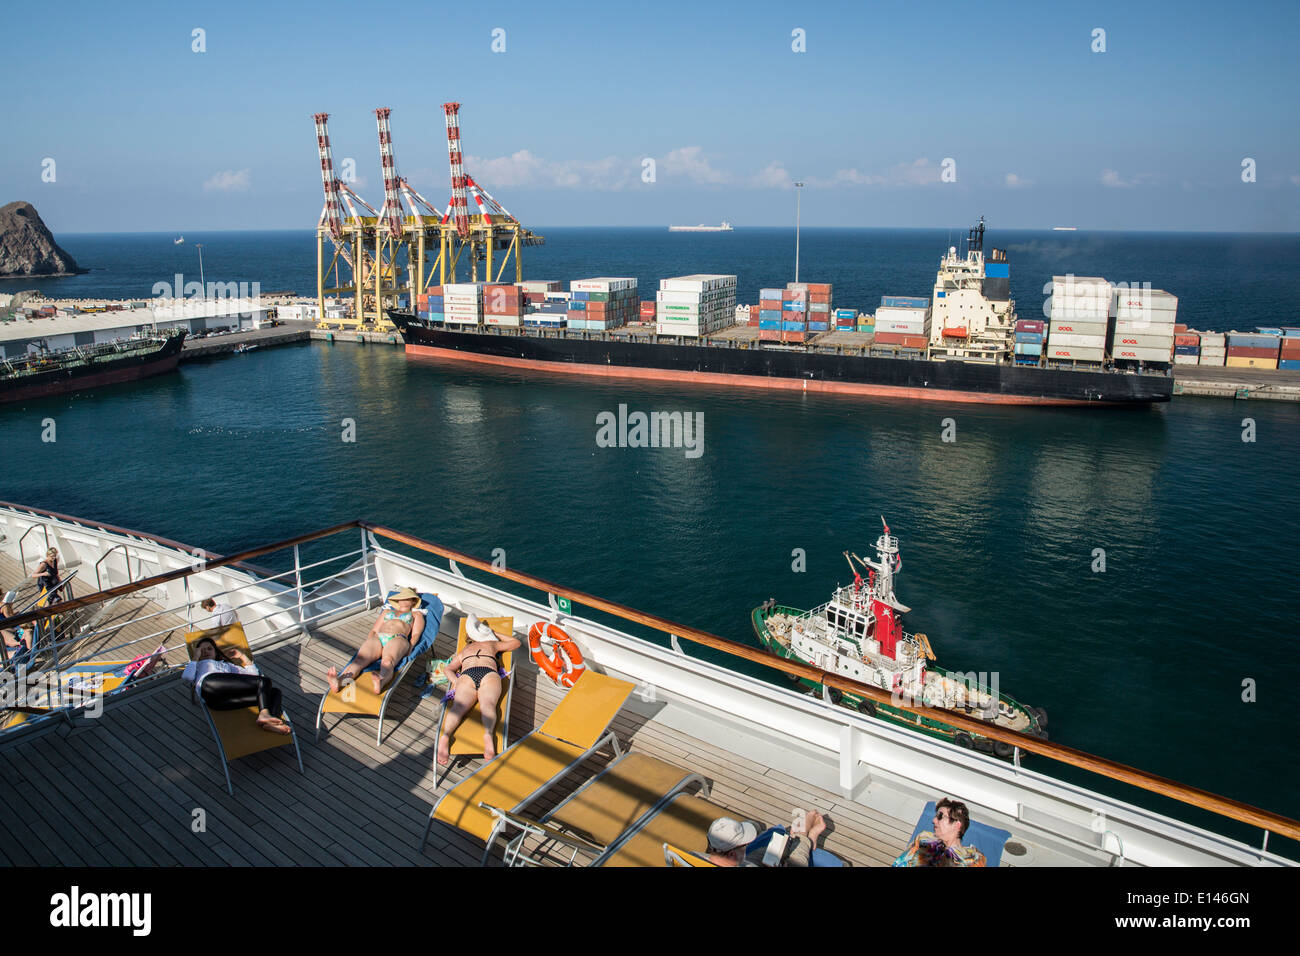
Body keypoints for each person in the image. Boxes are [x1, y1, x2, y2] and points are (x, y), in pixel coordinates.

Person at [436, 613, 521, 766]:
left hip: (467, 675)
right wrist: (493, 633)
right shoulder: (491, 644)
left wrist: (456, 682)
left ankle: (446, 736)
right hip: (487, 672)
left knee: (458, 708)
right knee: (487, 705)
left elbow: (448, 669)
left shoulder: (464, 651)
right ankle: (488, 734)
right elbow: (515, 643)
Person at [326, 586, 427, 697]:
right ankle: (339, 681)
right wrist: (369, 642)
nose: (402, 600)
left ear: (413, 601)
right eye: (401, 598)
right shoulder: (387, 611)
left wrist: (410, 647)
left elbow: (416, 634)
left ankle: (381, 681)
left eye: (407, 598)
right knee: (359, 659)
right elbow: (374, 630)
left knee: (387, 662)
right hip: (378, 637)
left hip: (398, 638)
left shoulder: (416, 615)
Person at [183, 636, 289, 735]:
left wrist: (243, 657)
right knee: (265, 681)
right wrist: (196, 657)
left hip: (222, 702)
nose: (206, 651)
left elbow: (254, 676)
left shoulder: (228, 665)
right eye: (202, 650)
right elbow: (187, 677)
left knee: (274, 692)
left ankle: (271, 722)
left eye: (209, 649)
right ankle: (264, 714)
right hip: (210, 687)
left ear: (215, 652)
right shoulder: (197, 665)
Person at [706, 811, 840, 867]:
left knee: (776, 839)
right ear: (731, 854)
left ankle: (796, 838)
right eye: (745, 844)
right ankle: (805, 837)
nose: (747, 846)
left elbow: (750, 858)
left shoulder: (693, 857)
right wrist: (803, 835)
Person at [892, 798, 987, 867]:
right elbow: (898, 864)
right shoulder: (924, 839)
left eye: (940, 816)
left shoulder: (973, 858)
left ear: (957, 825)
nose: (934, 820)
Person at [0, 591, 32, 656]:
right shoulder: (4, 605)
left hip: (8, 629)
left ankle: (20, 645)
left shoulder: (4, 605)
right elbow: (10, 618)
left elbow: (9, 617)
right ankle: (20, 644)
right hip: (9, 627)